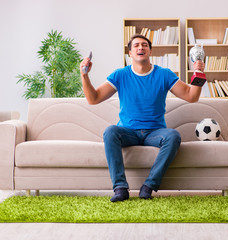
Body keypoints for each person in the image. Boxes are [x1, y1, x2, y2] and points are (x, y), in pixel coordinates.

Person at [80, 34, 204, 202]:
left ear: (150, 51)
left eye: (144, 45)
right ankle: (120, 188)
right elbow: (93, 99)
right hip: (128, 132)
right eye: (136, 45)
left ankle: (149, 186)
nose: (140, 47)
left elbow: (191, 96)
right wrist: (84, 75)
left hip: (155, 133)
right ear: (130, 53)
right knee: (110, 131)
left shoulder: (164, 74)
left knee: (173, 136)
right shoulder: (120, 75)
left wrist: (199, 72)